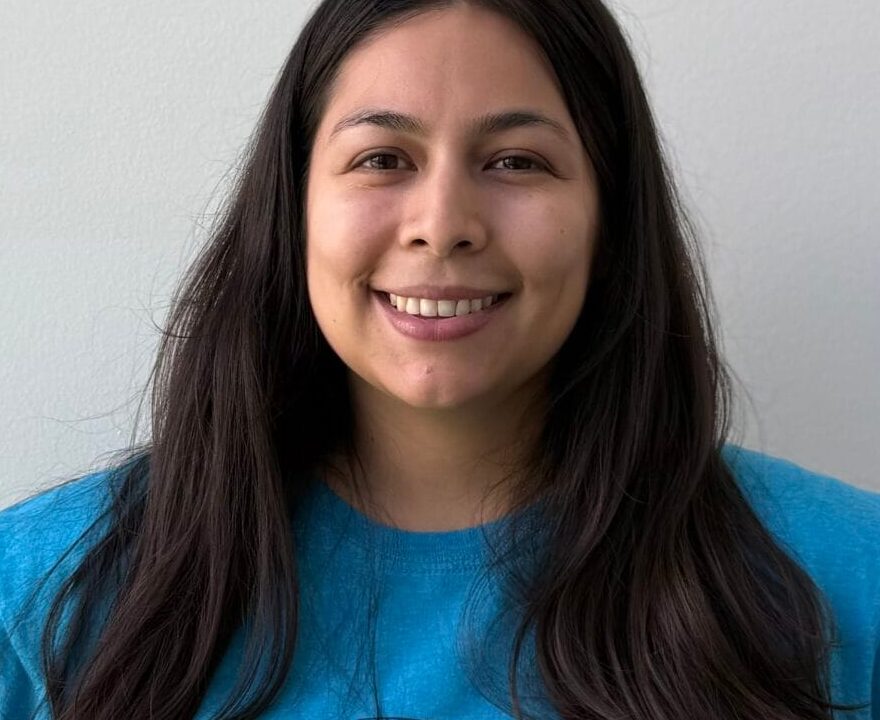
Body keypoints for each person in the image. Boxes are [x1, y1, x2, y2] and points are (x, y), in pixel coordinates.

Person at [1, 0, 878, 718]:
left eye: (517, 161)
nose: (443, 222)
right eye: (382, 158)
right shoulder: (36, 595)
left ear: (609, 220)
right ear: (293, 209)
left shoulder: (847, 579)